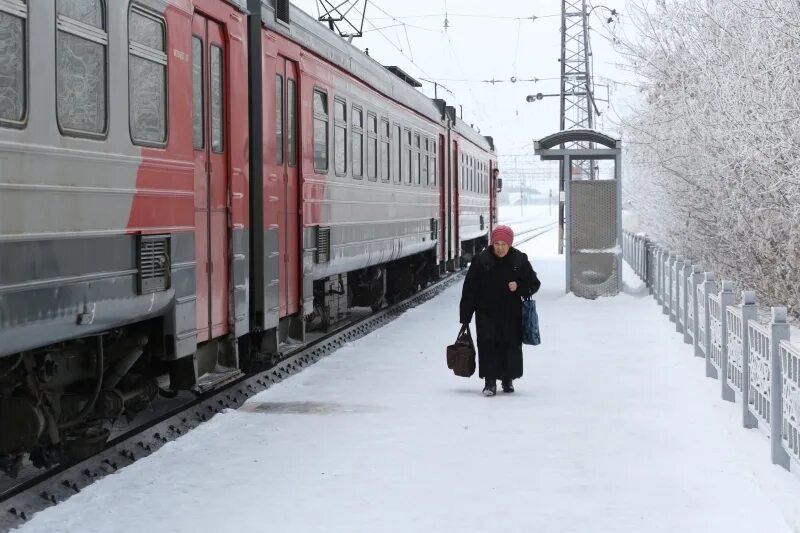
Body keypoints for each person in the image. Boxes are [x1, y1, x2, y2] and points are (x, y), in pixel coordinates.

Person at [459, 224, 541, 396]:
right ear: (492, 243)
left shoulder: (519, 260)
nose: (500, 247)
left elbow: (534, 283)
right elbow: (470, 289)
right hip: (486, 313)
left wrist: (519, 286)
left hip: (511, 313)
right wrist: (465, 316)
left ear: (510, 244)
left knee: (510, 345)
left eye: (504, 244)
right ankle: (490, 382)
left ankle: (507, 380)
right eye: (497, 244)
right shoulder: (481, 260)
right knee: (487, 344)